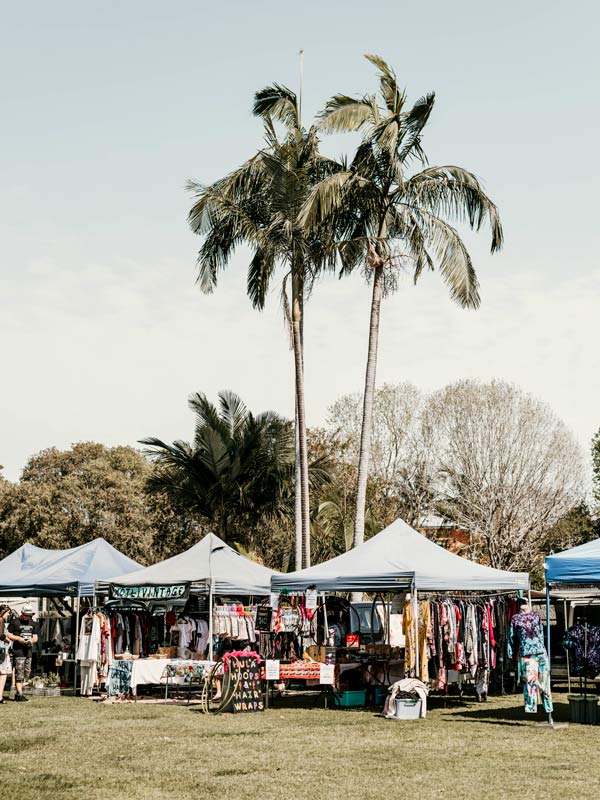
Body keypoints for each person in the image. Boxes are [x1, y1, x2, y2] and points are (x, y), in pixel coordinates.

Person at [8, 604, 39, 702]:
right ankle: (19, 694)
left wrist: (31, 641)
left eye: (29, 615)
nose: (27, 617)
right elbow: (8, 634)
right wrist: (18, 638)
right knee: (19, 673)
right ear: (21, 613)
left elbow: (35, 637)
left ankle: (19, 694)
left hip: (28, 652)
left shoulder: (33, 623)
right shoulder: (15, 622)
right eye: (26, 615)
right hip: (18, 651)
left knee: (26, 673)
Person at [0, 605, 13, 703]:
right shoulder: (1, 620)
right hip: (1, 649)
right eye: (8, 613)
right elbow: (1, 635)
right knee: (3, 673)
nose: (8, 615)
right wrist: (7, 640)